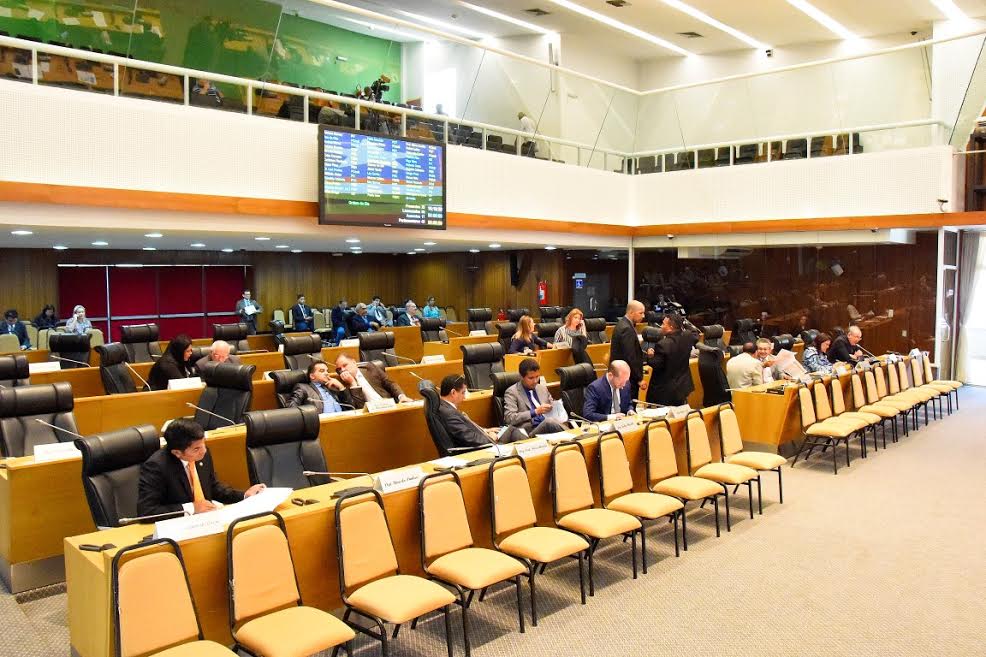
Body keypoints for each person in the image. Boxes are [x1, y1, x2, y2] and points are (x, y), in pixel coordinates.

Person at [137, 418, 265, 517]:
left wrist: (243, 495)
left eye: (204, 444)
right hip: (178, 526)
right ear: (177, 453)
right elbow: (147, 510)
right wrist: (191, 508)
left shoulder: (202, 453)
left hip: (207, 520)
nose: (203, 451)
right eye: (197, 448)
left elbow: (213, 487)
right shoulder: (156, 466)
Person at [437, 374, 518, 449]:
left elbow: (466, 430)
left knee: (510, 430)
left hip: (481, 439)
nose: (464, 397)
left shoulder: (445, 407)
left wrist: (485, 430)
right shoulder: (449, 413)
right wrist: (490, 438)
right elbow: (469, 437)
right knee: (513, 432)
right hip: (481, 448)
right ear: (453, 392)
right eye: (463, 392)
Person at [503, 358, 566, 436]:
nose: (535, 381)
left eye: (537, 377)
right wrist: (535, 412)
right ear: (521, 377)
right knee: (549, 422)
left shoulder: (542, 388)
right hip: (529, 431)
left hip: (550, 426)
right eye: (531, 378)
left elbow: (552, 406)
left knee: (554, 421)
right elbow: (510, 418)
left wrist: (557, 407)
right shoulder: (512, 392)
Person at [646, 313, 698, 407]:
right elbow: (695, 332)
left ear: (670, 327)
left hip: (666, 391)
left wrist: (650, 357)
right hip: (682, 387)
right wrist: (684, 323)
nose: (661, 326)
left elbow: (657, 365)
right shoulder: (688, 336)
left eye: (663, 324)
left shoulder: (663, 344)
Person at [610, 300, 653, 401]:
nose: (643, 316)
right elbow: (630, 356)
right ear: (631, 312)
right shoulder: (626, 328)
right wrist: (639, 378)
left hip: (622, 375)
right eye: (640, 313)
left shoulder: (624, 324)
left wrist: (646, 355)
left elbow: (631, 350)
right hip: (625, 377)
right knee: (628, 407)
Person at [334, 353, 411, 407]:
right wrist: (353, 384)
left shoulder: (369, 368)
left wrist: (401, 396)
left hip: (388, 405)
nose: (343, 370)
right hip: (370, 415)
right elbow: (359, 407)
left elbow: (389, 384)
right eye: (339, 369)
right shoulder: (343, 384)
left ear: (354, 362)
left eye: (345, 365)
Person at [287, 360, 353, 413]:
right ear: (312, 376)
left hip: (342, 419)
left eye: (327, 371)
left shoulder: (332, 387)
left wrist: (341, 387)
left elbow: (351, 407)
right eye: (322, 371)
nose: (327, 373)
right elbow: (292, 410)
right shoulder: (303, 388)